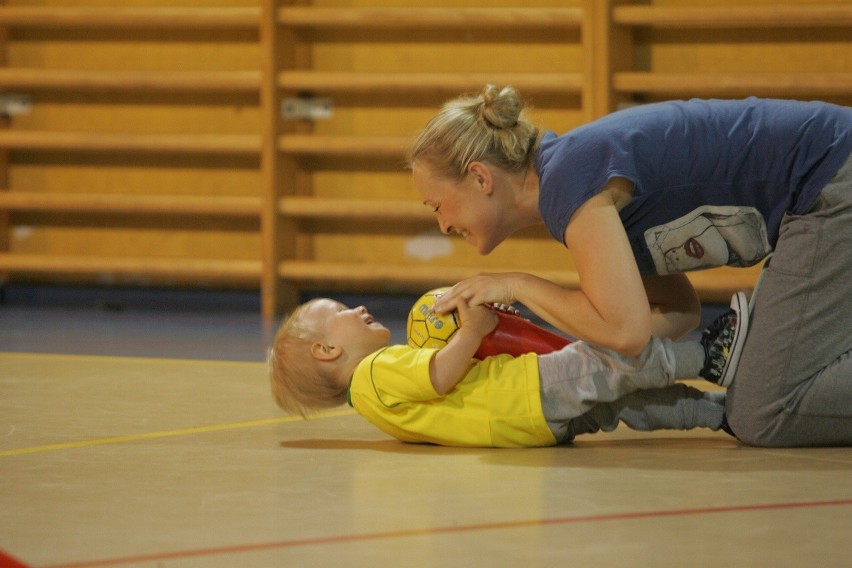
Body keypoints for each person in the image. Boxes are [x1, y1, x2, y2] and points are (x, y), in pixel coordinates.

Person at [408, 86, 852, 447]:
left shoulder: (568, 182)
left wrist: (516, 284)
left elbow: (625, 330)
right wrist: (577, 368)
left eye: (436, 206)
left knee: (761, 413)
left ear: (481, 177)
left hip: (829, 185)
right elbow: (678, 309)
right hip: (821, 191)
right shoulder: (572, 179)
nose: (444, 224)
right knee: (762, 389)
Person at [267, 293, 747, 448]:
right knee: (605, 362)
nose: (360, 307)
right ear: (327, 349)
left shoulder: (372, 406)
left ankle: (717, 414)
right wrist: (474, 329)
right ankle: (710, 356)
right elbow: (439, 374)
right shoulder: (375, 371)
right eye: (344, 311)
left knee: (621, 403)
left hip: (527, 427)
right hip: (526, 393)